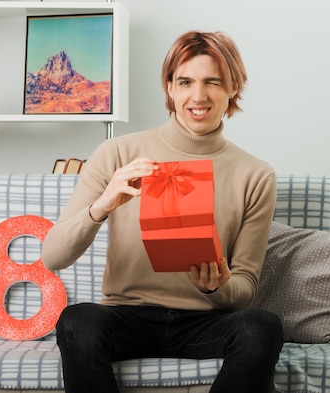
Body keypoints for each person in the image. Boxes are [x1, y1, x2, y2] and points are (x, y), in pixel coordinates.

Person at [41, 30, 283, 393]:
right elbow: (52, 257)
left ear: (233, 87)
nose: (197, 96)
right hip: (127, 316)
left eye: (212, 82)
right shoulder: (117, 153)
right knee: (77, 319)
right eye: (185, 82)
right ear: (169, 87)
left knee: (262, 325)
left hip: (207, 322)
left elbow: (245, 287)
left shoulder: (256, 174)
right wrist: (103, 204)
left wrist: (217, 287)